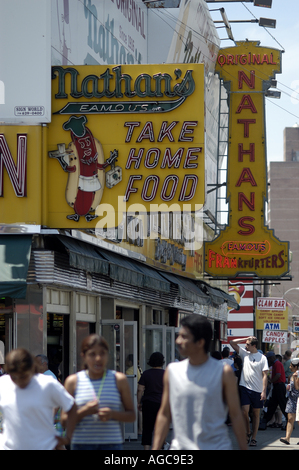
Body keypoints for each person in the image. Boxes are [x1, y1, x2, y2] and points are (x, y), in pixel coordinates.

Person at [152, 314, 247, 450]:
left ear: (200, 342)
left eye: (184, 337)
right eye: (178, 336)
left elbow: (236, 414)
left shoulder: (223, 372)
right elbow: (165, 414)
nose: (178, 341)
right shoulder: (172, 371)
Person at [62, 334, 135, 450]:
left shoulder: (119, 380)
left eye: (102, 353)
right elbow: (64, 421)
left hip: (112, 444)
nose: (98, 359)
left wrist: (112, 414)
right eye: (92, 354)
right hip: (81, 444)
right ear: (84, 356)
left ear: (108, 355)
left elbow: (131, 415)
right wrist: (84, 412)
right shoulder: (73, 381)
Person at [0, 348, 76, 450]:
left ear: (31, 369)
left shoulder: (47, 383)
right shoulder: (3, 383)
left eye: (23, 376)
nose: (18, 381)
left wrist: (67, 436)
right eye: (14, 377)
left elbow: (71, 405)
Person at [230, 336, 268, 447]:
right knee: (244, 411)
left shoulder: (262, 358)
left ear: (254, 346)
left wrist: (264, 391)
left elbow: (265, 375)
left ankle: (254, 438)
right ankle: (248, 432)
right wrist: (246, 338)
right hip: (245, 387)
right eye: (246, 344)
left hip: (257, 389)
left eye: (248, 344)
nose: (245, 346)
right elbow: (232, 342)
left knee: (256, 414)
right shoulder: (244, 354)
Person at [137, 352, 165, 450]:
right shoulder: (166, 374)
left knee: (147, 428)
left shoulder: (146, 374)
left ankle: (146, 448)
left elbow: (140, 389)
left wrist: (139, 402)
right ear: (162, 362)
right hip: (162, 404)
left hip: (148, 403)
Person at [260, 351, 288, 429]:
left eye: (268, 359)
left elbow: (278, 375)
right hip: (277, 386)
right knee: (273, 405)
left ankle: (289, 422)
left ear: (272, 358)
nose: (268, 361)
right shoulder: (275, 364)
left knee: (282, 405)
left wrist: (270, 381)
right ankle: (265, 421)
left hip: (279, 386)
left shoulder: (277, 364)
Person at [280, 357, 299, 445]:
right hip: (291, 399)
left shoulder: (297, 376)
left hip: (298, 400)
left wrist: (295, 378)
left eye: (291, 366)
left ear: (296, 367)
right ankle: (287, 438)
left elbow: (297, 387)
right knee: (290, 419)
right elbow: (290, 386)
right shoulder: (290, 375)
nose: (289, 367)